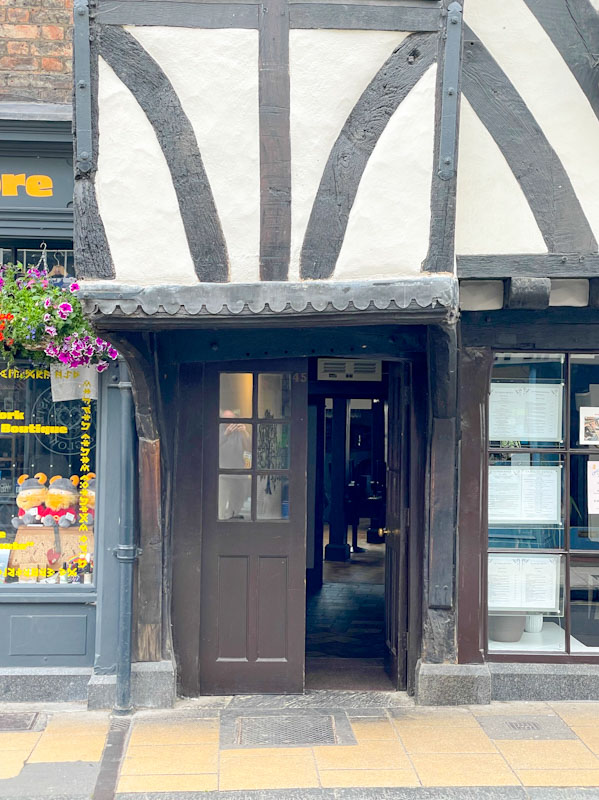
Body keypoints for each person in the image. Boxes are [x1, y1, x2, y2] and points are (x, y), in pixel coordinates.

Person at [219, 410, 251, 519]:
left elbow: (250, 449)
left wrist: (245, 432)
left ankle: (233, 517)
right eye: (226, 419)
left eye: (231, 419)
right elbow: (213, 447)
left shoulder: (239, 432)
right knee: (221, 502)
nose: (229, 422)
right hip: (223, 473)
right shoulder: (218, 429)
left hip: (239, 472)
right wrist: (225, 434)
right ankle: (221, 519)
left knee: (238, 500)